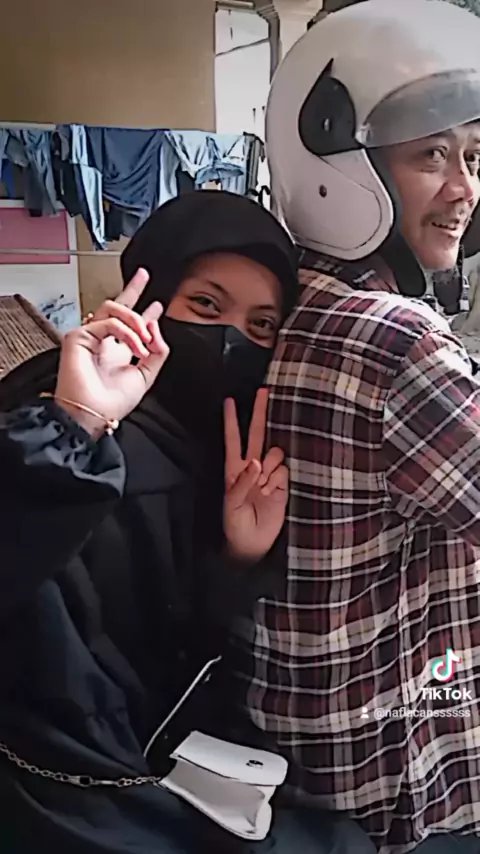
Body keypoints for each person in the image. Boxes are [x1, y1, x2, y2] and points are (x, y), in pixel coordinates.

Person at [0, 190, 374, 854]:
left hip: (156, 747)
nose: (232, 338)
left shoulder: (218, 449)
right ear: (150, 302)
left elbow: (168, 632)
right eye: (205, 305)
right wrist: (77, 423)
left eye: (262, 325)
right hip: (57, 781)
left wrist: (237, 558)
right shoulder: (53, 416)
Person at [229, 2, 480, 853]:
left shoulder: (292, 298)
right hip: (392, 765)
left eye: (474, 156)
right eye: (430, 156)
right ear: (344, 163)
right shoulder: (398, 341)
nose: (464, 189)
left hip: (297, 737)